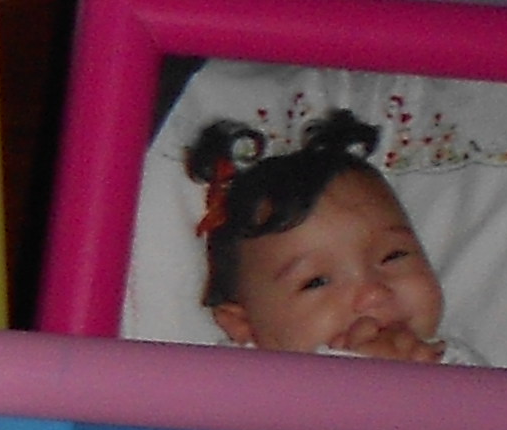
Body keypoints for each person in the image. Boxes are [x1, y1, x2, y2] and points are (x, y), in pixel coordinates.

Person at [196, 113, 483, 363]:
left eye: (393, 256)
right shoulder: (246, 381)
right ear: (244, 325)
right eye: (316, 281)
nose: (374, 293)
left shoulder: (458, 365)